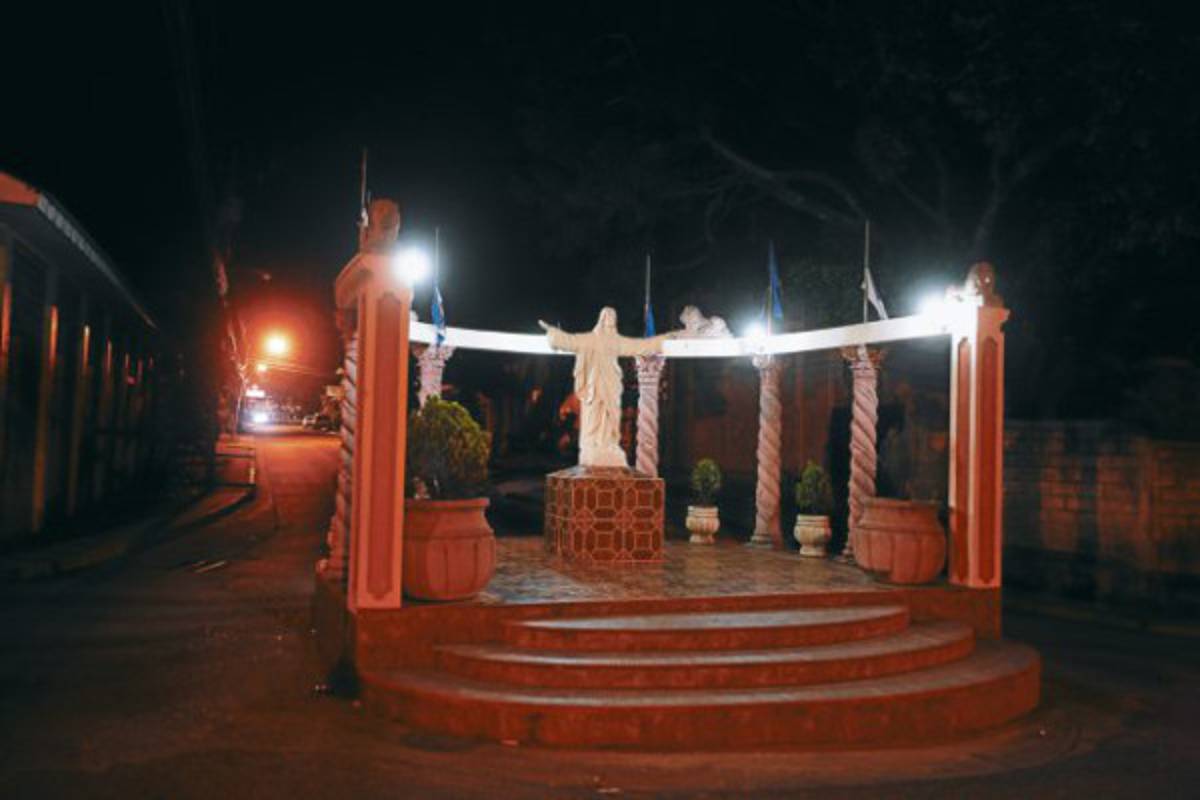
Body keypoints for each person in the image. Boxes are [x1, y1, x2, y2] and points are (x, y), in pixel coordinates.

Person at [539, 307, 674, 468]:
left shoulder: (616, 341)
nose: (610, 319)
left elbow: (639, 345)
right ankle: (593, 445)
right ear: (602, 320)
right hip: (595, 385)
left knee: (611, 416)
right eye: (607, 317)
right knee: (594, 415)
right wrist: (554, 333)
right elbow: (571, 341)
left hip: (611, 385)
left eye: (612, 317)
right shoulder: (590, 339)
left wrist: (663, 340)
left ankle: (609, 444)